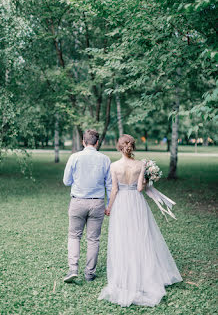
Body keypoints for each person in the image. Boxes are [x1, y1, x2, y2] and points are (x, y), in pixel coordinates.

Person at [98, 134, 182, 307]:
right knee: (141, 236)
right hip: (136, 202)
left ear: (119, 147)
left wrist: (109, 207)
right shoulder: (140, 164)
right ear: (132, 147)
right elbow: (139, 188)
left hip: (121, 203)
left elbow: (114, 190)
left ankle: (125, 275)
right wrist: (144, 174)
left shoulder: (114, 166)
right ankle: (144, 275)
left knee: (123, 238)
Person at [63, 129, 112, 283]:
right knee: (93, 239)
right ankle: (89, 273)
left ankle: (73, 269)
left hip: (78, 201)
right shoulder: (105, 159)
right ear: (97, 143)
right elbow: (109, 185)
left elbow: (66, 181)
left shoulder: (74, 157)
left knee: (74, 235)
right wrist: (109, 204)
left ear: (83, 142)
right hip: (97, 203)